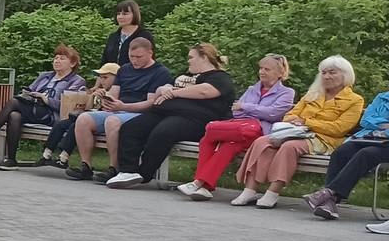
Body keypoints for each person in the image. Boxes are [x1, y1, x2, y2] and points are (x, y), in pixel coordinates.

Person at [229, 56, 363, 209]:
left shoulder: (354, 100)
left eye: (332, 72)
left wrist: (306, 122)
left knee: (290, 147)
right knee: (262, 142)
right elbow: (289, 116)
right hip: (296, 133)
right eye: (323, 73)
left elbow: (339, 128)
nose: (326, 76)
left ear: (346, 74)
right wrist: (295, 121)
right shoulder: (313, 94)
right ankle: (250, 190)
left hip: (324, 139)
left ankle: (273, 192)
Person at [107, 43, 236, 188]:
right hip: (163, 112)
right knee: (131, 128)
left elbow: (205, 91)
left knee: (163, 132)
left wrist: (174, 92)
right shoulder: (185, 75)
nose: (188, 61)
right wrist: (165, 88)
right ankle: (128, 171)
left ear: (204, 57)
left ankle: (144, 174)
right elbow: (162, 89)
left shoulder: (220, 77)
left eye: (191, 57)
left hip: (194, 119)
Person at [177, 54, 295, 200]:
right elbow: (235, 111)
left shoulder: (287, 93)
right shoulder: (252, 89)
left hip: (260, 133)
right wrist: (255, 110)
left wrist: (246, 107)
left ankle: (198, 183)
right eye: (261, 68)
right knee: (217, 142)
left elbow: (272, 114)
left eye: (267, 69)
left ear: (280, 73)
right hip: (240, 130)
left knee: (215, 135)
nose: (262, 72)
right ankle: (203, 186)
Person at [65, 38, 172, 181]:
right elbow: (114, 93)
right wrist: (106, 99)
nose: (135, 60)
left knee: (112, 121)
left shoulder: (160, 72)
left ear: (150, 53)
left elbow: (151, 103)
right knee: (83, 119)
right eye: (131, 56)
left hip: (139, 112)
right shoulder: (125, 69)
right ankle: (86, 165)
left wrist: (123, 106)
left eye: (139, 57)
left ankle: (114, 168)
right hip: (119, 108)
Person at [0, 45, 87, 168]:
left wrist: (46, 99)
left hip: (51, 115)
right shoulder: (45, 76)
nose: (57, 61)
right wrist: (28, 94)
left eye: (62, 58)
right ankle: (11, 160)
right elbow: (30, 89)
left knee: (13, 102)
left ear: (72, 63)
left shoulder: (77, 81)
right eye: (55, 58)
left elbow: (69, 106)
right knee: (14, 115)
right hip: (34, 109)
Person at [301, 88, 389, 223]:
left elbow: (372, 121)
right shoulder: (382, 97)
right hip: (369, 138)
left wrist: (379, 125)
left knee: (365, 154)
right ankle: (329, 204)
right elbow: (365, 120)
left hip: (385, 145)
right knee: (341, 152)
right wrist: (383, 125)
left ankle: (328, 193)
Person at [41, 62, 115, 166]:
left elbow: (111, 109)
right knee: (61, 124)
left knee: (75, 126)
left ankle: (64, 158)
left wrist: (106, 97)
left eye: (105, 77)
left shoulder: (117, 91)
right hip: (89, 116)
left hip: (102, 122)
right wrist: (93, 96)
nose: (102, 81)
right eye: (100, 77)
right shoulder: (100, 90)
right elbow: (89, 108)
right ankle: (46, 154)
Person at [101, 0, 153, 70]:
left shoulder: (144, 36)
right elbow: (105, 60)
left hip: (135, 78)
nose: (120, 17)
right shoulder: (113, 37)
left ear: (134, 14)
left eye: (125, 14)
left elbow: (149, 61)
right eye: (118, 14)